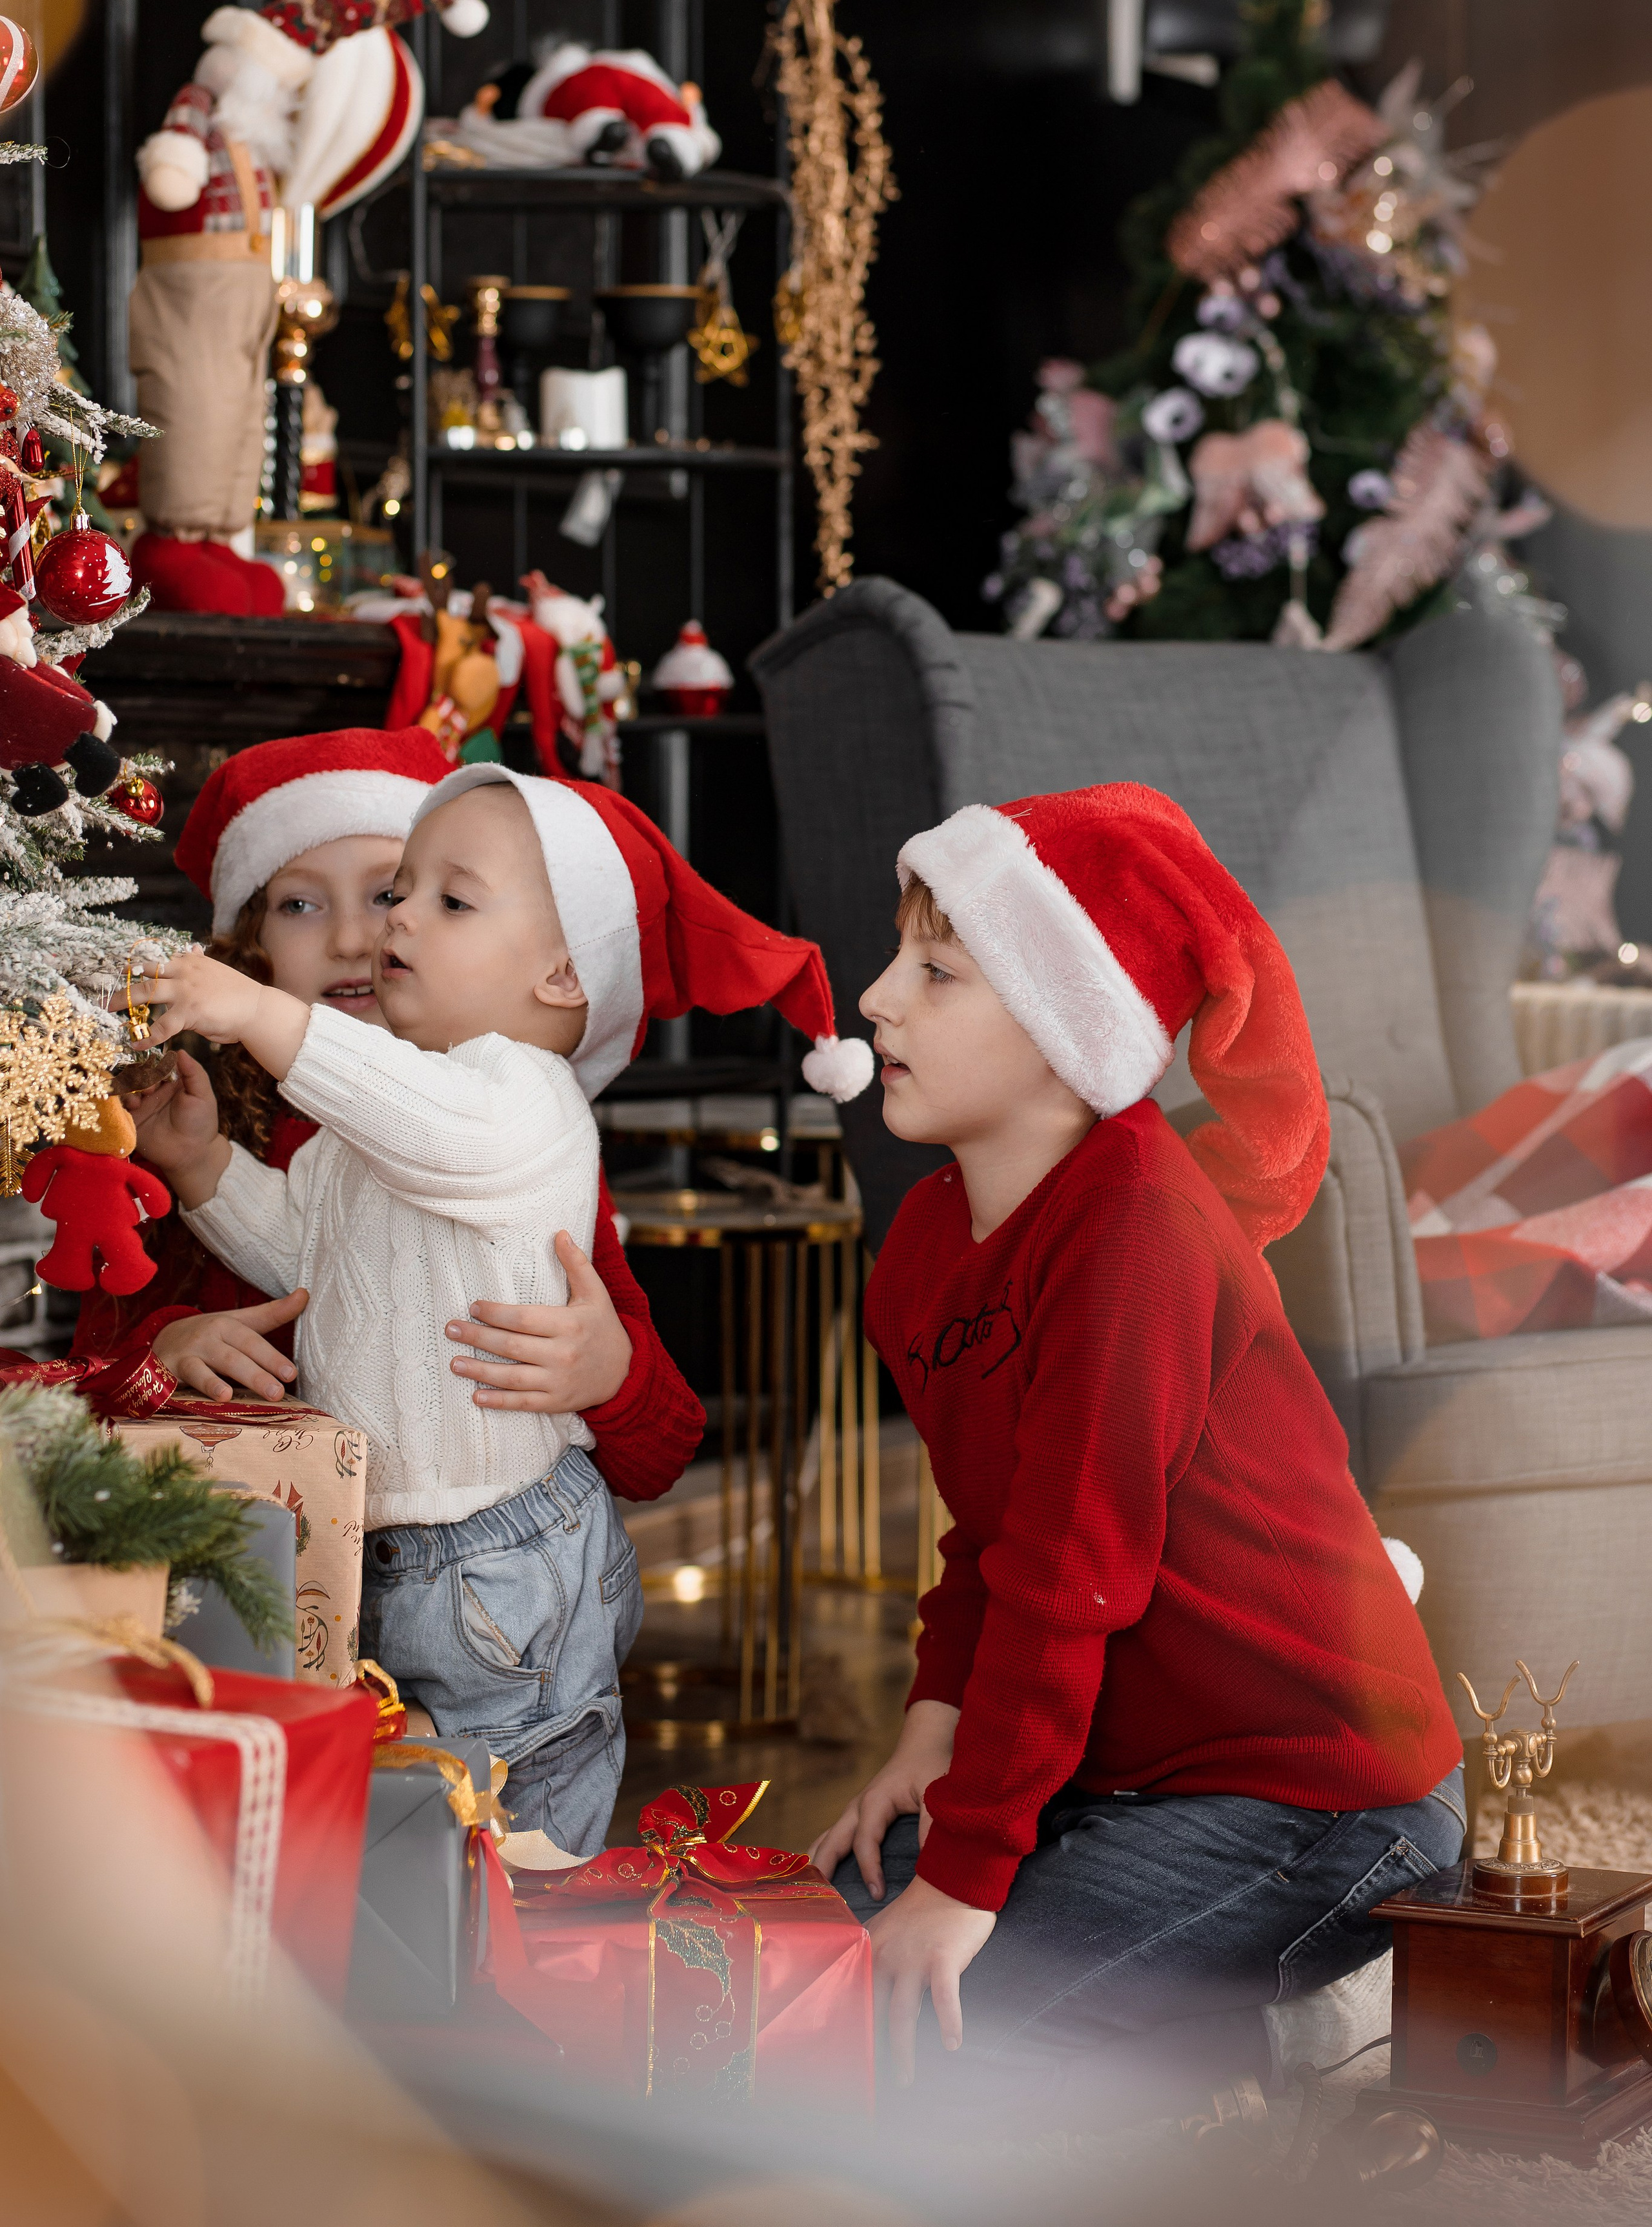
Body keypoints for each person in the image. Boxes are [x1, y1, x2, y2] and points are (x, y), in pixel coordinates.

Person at [809, 783, 1464, 2116]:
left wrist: (966, 1876)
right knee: (819, 1957)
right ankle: (1189, 2011)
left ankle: (1284, 2030)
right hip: (1122, 1777)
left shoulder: (1131, 1233)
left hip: (1321, 1801)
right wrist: (926, 1745)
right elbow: (985, 1542)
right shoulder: (928, 1249)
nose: (876, 998)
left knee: (940, 2020)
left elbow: (1068, 1575)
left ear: (1063, 1032)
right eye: (897, 959)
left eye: (935, 972)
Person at [132, 760, 870, 1847]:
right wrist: (203, 1171)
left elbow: (434, 1122)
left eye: (448, 899)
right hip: (394, 1547)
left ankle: (529, 1993)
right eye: (405, 893)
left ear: (564, 976)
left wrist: (249, 1012)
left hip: (500, 1555)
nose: (394, 922)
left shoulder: (520, 1097)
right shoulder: (365, 1133)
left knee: (506, 1838)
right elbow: (303, 1256)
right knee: (422, 1844)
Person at [86, 729, 698, 1505]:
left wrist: (611, 1374)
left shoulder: (511, 1123)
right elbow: (76, 1397)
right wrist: (165, 1346)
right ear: (248, 947)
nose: (359, 937)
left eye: (389, 894)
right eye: (300, 904)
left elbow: (662, 1452)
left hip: (483, 1555)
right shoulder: (195, 1115)